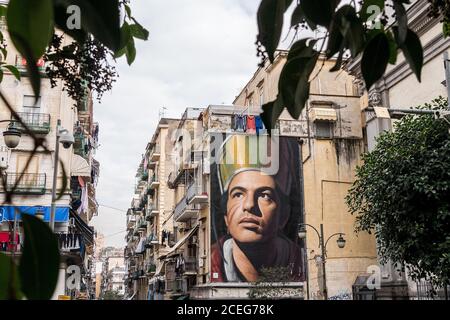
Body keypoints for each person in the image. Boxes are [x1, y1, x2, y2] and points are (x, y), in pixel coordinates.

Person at [211, 135, 304, 283]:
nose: (249, 205)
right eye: (238, 194)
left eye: (265, 195)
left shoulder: (303, 264)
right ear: (225, 216)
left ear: (284, 214)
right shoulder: (213, 262)